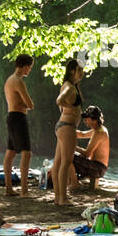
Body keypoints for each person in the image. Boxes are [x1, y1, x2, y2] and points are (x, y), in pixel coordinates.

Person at [49, 58, 85, 206]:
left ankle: (58, 198)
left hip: (62, 126)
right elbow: (59, 100)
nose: (81, 73)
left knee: (58, 163)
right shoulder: (69, 87)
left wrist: (66, 109)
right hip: (67, 127)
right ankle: (63, 198)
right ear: (71, 71)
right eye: (79, 70)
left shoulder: (71, 85)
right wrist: (68, 108)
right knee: (66, 163)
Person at [3, 54, 34, 197]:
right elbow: (30, 104)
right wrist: (24, 104)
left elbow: (21, 103)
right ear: (25, 66)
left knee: (10, 153)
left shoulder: (9, 80)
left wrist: (22, 104)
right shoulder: (18, 81)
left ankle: (9, 189)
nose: (30, 70)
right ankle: (24, 190)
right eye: (30, 67)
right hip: (18, 118)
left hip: (12, 117)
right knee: (26, 153)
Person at [71, 105, 110, 190]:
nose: (84, 120)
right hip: (96, 166)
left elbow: (87, 154)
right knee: (69, 154)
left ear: (94, 120)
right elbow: (82, 134)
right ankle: (73, 181)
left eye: (87, 118)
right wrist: (68, 130)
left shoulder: (99, 132)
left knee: (70, 156)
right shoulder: (97, 129)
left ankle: (75, 184)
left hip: (98, 169)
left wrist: (72, 146)